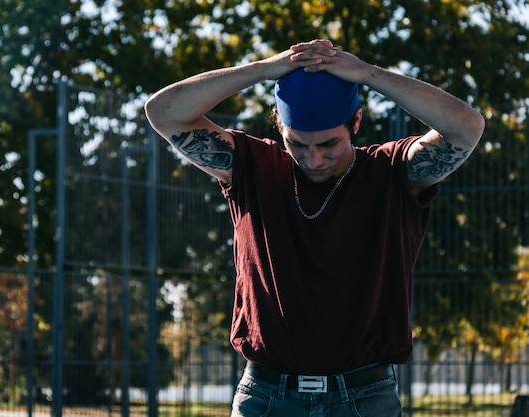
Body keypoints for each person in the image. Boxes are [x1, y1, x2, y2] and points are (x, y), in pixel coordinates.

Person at [145, 39, 485, 416]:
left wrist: (367, 74)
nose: (314, 159)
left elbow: (466, 128)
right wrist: (264, 69)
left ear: (356, 122)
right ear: (280, 126)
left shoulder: (392, 172)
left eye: (328, 144)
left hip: (364, 397)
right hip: (266, 396)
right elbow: (163, 111)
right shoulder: (253, 167)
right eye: (298, 145)